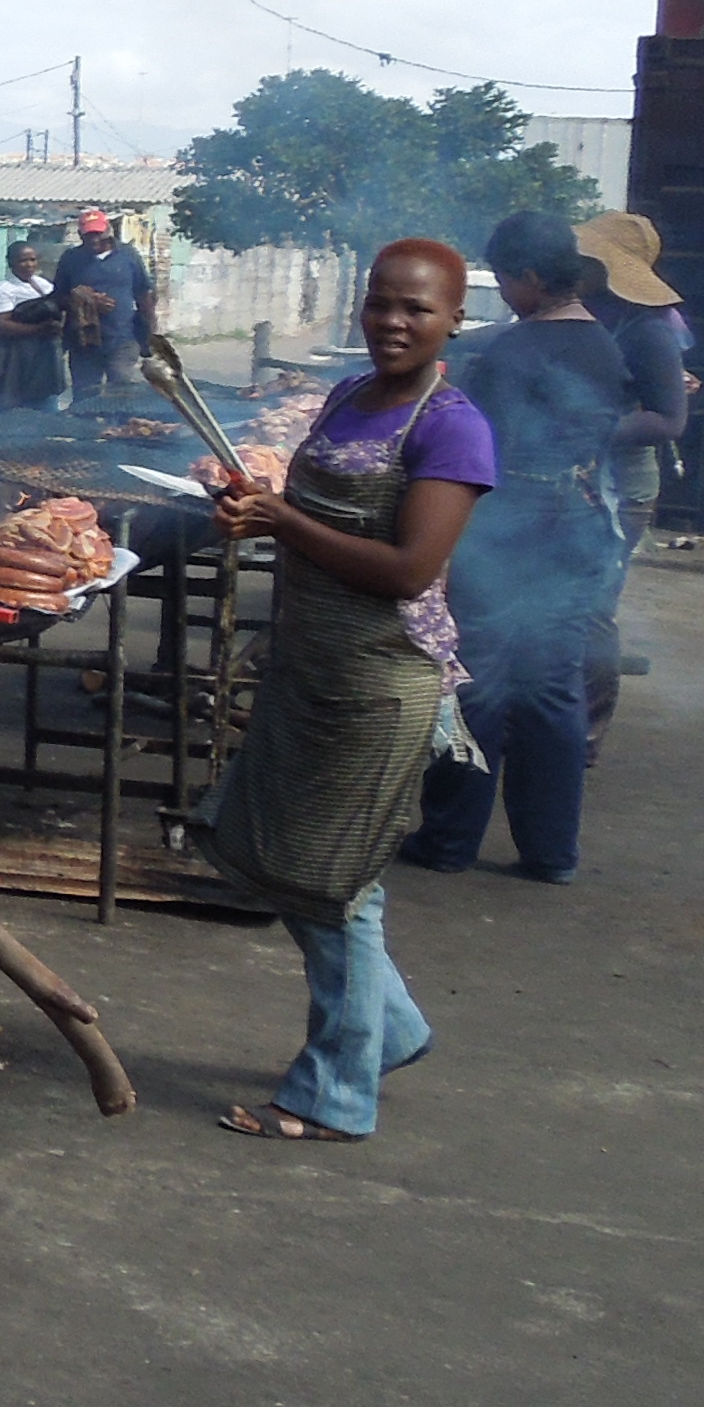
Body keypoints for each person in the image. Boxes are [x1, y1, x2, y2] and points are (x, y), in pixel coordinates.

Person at [202, 238, 489, 1141]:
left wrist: (283, 520)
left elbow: (408, 570)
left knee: (336, 888)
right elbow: (310, 520)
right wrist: (252, 510)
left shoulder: (453, 427)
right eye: (380, 303)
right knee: (271, 853)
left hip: (382, 682)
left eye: (417, 309)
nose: (393, 322)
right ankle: (388, 1030)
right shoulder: (347, 398)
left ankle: (334, 1093)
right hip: (311, 669)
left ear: (453, 321)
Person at [406, 212, 665, 883]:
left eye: (505, 279)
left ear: (528, 276)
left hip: (511, 525)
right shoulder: (601, 342)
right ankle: (551, 854)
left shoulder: (512, 352)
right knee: (552, 690)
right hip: (578, 521)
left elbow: (477, 449)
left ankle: (450, 841)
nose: (504, 293)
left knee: (478, 685)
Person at [576, 211, 696, 733]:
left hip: (622, 490)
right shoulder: (591, 313)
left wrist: (587, 430)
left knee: (590, 610)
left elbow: (669, 419)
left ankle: (587, 733)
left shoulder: (647, 330)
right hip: (578, 482)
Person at [53, 208, 158, 401]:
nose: (94, 239)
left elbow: (144, 295)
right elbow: (58, 297)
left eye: (98, 233)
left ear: (108, 230)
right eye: (89, 235)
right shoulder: (71, 258)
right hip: (84, 342)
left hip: (123, 338)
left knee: (121, 392)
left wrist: (151, 334)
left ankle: (118, 421)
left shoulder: (128, 255)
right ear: (80, 235)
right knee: (85, 396)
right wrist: (86, 300)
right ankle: (87, 421)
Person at [0, 240, 68, 412]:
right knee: (12, 411)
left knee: (46, 409)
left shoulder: (44, 286)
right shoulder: (2, 291)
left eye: (32, 260)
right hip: (14, 357)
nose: (29, 265)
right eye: (23, 260)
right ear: (11, 263)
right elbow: (1, 324)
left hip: (44, 357)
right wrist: (39, 329)